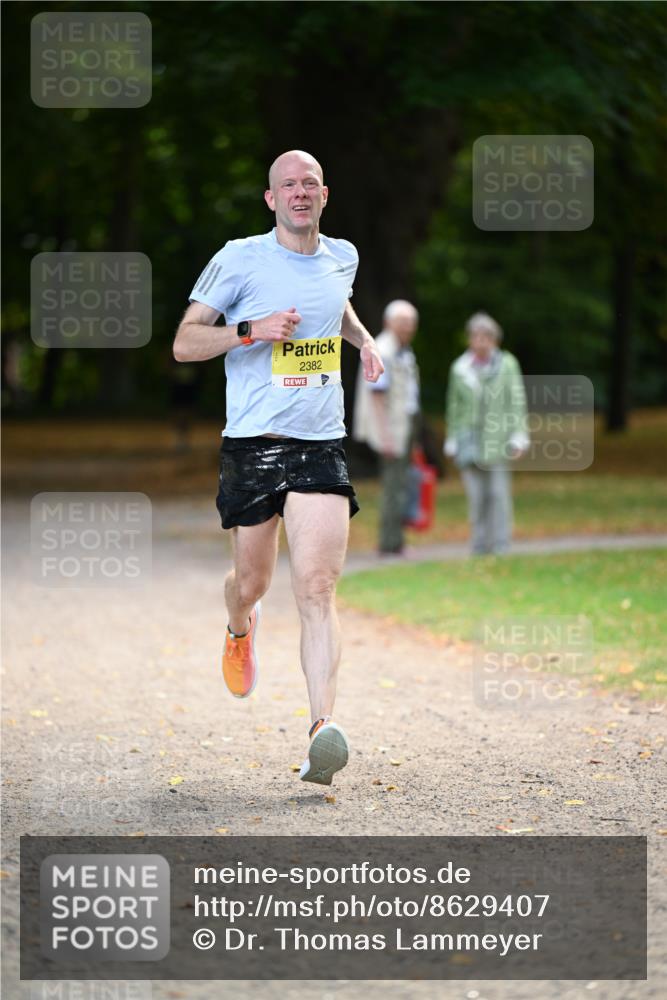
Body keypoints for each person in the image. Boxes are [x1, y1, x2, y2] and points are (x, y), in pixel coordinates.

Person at [173, 150, 384, 785]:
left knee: (317, 587)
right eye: (287, 185)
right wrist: (251, 330)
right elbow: (185, 343)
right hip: (252, 444)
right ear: (271, 200)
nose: (299, 193)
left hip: (320, 442)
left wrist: (365, 340)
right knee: (253, 582)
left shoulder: (341, 256)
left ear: (325, 194)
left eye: (309, 184)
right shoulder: (239, 258)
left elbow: (336, 305)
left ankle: (322, 728)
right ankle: (240, 627)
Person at [444, 312, 529, 555]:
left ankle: (501, 546)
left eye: (486, 337)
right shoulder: (459, 368)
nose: (480, 342)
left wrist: (519, 435)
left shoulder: (507, 364)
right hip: (467, 442)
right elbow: (454, 406)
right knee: (476, 498)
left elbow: (517, 400)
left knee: (499, 496)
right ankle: (479, 546)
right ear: (470, 339)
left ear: (495, 340)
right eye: (475, 336)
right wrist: (451, 439)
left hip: (498, 441)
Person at [353, 300, 421, 554]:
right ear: (388, 322)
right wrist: (387, 437)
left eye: (411, 323)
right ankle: (389, 545)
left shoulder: (404, 349)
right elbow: (377, 398)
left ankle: (397, 541)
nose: (408, 328)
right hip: (392, 429)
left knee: (401, 484)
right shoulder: (383, 349)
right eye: (402, 322)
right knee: (394, 487)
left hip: (404, 425)